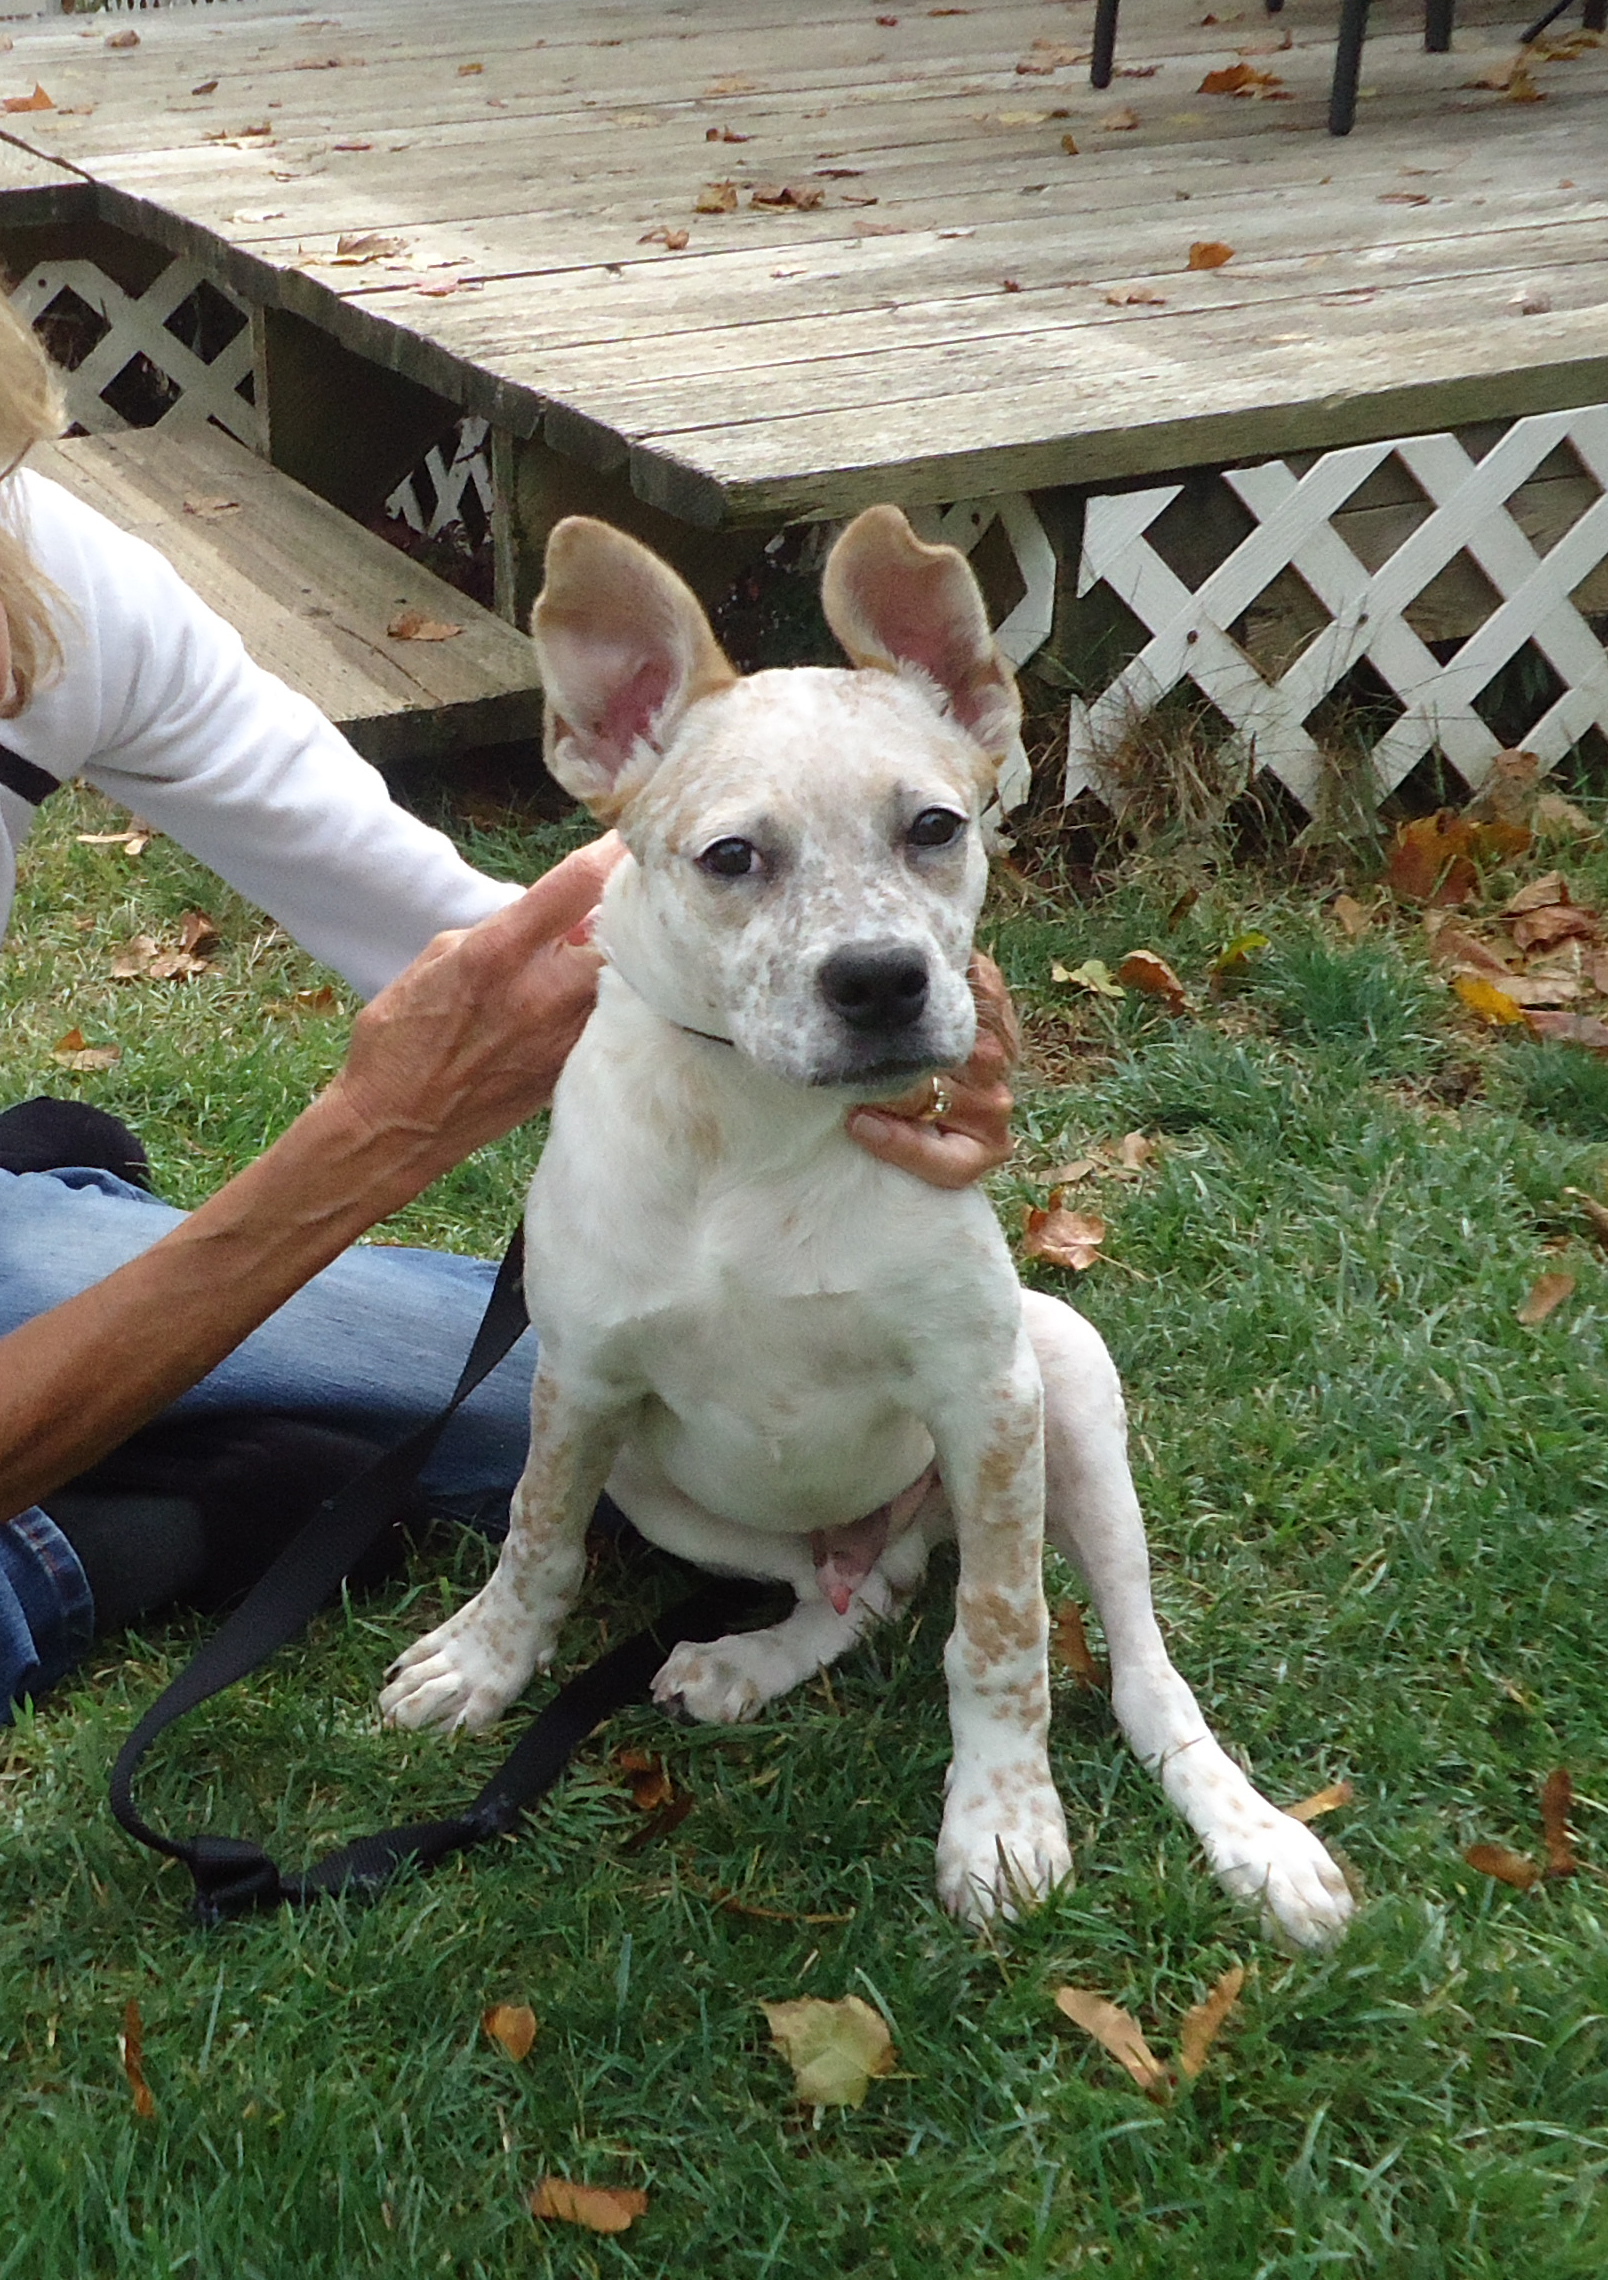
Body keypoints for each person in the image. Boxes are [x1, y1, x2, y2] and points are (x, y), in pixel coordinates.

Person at [0, 297, 1018, 1716]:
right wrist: (365, 1140)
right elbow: (396, 1104)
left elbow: (478, 931)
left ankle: (68, 1290)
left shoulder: (48, 583)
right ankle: (114, 1536)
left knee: (608, 1405)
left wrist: (868, 980)